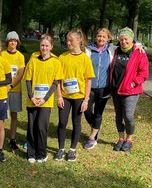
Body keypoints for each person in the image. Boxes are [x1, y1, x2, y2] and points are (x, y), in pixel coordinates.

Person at [54, 29, 95, 162]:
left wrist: (86, 100)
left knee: (76, 123)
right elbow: (58, 80)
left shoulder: (85, 59)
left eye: (71, 40)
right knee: (62, 122)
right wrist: (59, 96)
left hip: (79, 97)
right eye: (67, 40)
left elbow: (89, 80)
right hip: (65, 97)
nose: (68, 42)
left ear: (79, 41)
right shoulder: (62, 57)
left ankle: (72, 150)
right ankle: (60, 149)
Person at [24, 34, 63, 163]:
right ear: (39, 46)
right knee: (31, 127)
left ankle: (41, 153)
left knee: (41, 127)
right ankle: (31, 153)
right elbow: (28, 80)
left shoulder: (56, 62)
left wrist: (45, 99)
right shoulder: (33, 61)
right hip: (32, 101)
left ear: (51, 46)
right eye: (42, 45)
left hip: (45, 102)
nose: (44, 48)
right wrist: (32, 96)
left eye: (47, 45)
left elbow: (55, 83)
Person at [110, 27, 149, 152]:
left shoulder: (139, 52)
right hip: (116, 88)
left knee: (128, 116)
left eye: (126, 39)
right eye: (121, 39)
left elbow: (143, 73)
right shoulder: (115, 51)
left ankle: (129, 139)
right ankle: (121, 138)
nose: (123, 41)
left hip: (130, 90)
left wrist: (133, 83)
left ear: (132, 39)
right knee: (118, 116)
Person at [83, 28, 115, 149]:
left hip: (104, 88)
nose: (101, 38)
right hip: (89, 88)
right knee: (85, 110)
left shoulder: (111, 50)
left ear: (108, 38)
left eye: (104, 36)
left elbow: (128, 45)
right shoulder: (88, 50)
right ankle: (96, 126)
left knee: (98, 113)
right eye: (99, 36)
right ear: (96, 37)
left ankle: (92, 138)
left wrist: (138, 46)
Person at [1, 31, 25, 151]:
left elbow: (20, 74)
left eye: (15, 40)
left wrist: (10, 86)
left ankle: (12, 139)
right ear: (7, 42)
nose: (13, 43)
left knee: (14, 114)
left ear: (17, 42)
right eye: (11, 40)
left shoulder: (20, 56)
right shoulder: (2, 54)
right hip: (3, 90)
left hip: (15, 89)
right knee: (1, 115)